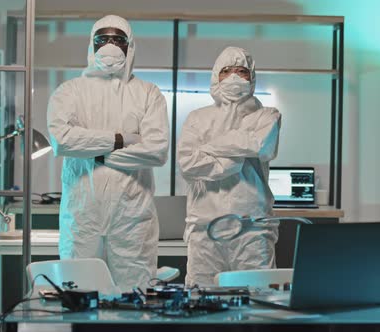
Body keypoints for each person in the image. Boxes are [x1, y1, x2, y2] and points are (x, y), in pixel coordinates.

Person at [47, 15, 169, 292]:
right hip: (82, 215)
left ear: (130, 46)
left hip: (132, 216)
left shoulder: (147, 94)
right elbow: (62, 140)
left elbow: (157, 151)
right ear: (92, 44)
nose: (110, 45)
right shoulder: (69, 92)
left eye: (117, 39)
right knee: (78, 294)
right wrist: (121, 140)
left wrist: (97, 154)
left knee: (133, 301)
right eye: (103, 39)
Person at [177, 46, 281, 286]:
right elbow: (188, 164)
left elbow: (259, 146)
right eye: (227, 71)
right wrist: (237, 156)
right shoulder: (197, 117)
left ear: (252, 77)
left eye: (241, 71)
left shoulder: (267, 116)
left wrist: (208, 146)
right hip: (204, 229)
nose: (234, 77)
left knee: (257, 300)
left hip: (252, 229)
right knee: (201, 303)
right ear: (216, 76)